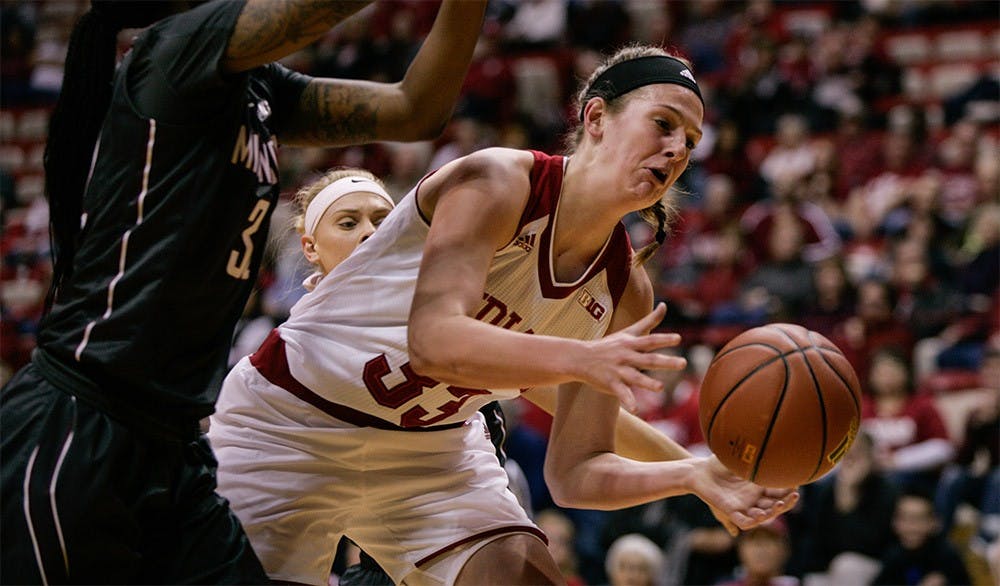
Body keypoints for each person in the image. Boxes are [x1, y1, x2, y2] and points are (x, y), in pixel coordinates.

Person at [209, 46, 798, 585]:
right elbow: (435, 342)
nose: (677, 150)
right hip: (288, 426)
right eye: (663, 124)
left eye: (690, 142)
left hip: (428, 452)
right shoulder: (497, 180)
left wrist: (694, 474)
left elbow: (577, 471)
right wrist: (580, 360)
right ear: (596, 119)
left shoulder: (625, 292)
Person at [0, 0, 489, 582]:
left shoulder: (259, 87)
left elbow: (416, 109)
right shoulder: (176, 48)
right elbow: (309, 16)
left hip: (174, 441)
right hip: (82, 423)